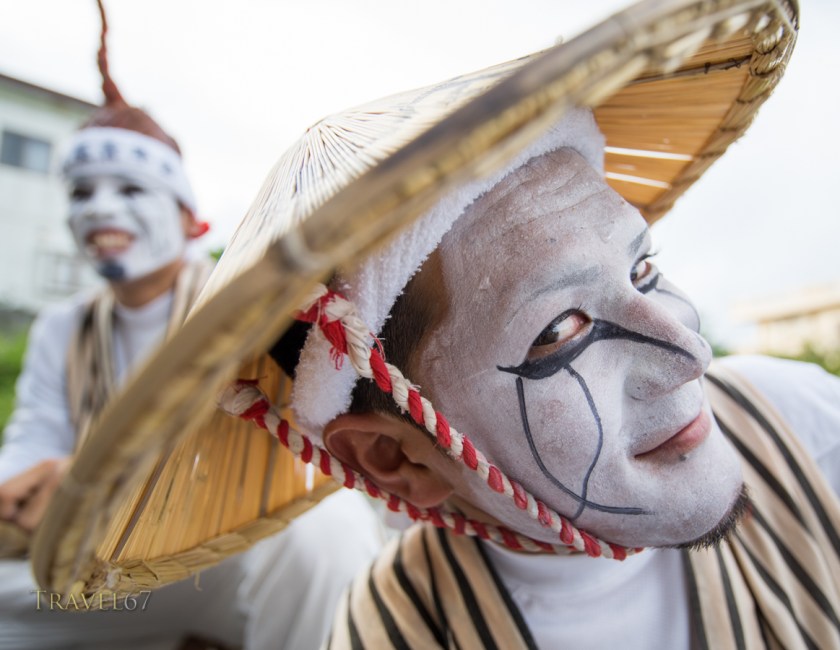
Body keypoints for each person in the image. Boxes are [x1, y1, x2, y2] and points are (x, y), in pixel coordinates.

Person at [201, 0, 839, 647]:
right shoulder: (397, 633)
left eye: (643, 270)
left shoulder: (799, 423)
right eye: (560, 330)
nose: (691, 353)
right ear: (395, 457)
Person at [0, 2, 383, 648]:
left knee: (326, 532)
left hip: (225, 554)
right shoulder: (62, 328)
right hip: (103, 574)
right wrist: (26, 487)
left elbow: (300, 449)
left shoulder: (244, 308)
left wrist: (90, 478)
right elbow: (32, 443)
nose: (101, 211)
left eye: (128, 190)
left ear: (188, 219)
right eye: (82, 193)